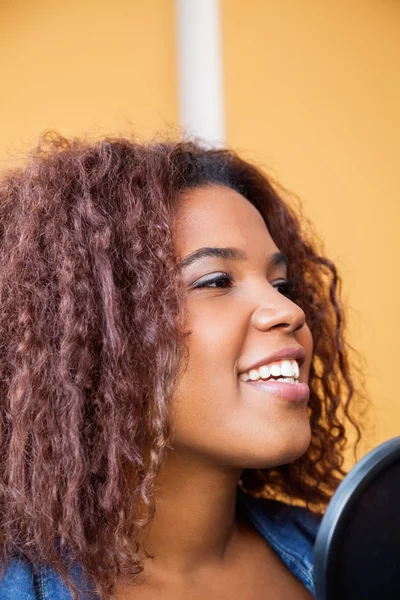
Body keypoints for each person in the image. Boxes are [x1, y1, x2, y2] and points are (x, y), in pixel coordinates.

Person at [0, 133, 365, 599]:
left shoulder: (361, 561)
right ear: (100, 334)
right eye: (216, 280)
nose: (288, 311)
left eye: (282, 284)